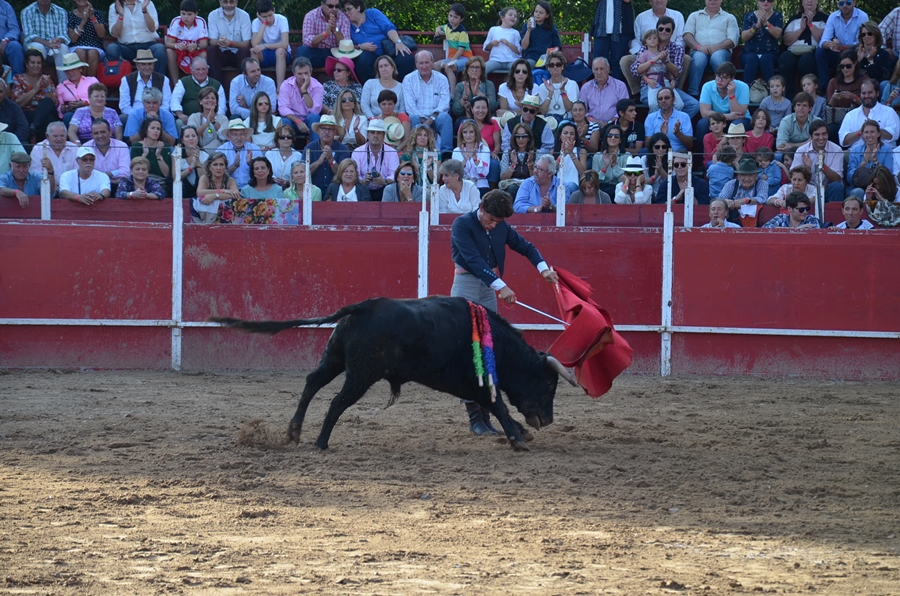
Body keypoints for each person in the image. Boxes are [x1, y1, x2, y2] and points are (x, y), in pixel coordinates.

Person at [449, 188, 559, 433]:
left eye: (498, 222)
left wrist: (543, 270)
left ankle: (486, 415)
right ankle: (475, 419)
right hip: (466, 285)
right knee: (467, 348)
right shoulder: (462, 225)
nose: (493, 225)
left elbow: (526, 247)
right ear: (482, 209)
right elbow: (474, 261)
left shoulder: (499, 226)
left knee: (489, 347)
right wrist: (501, 286)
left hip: (488, 289)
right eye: (491, 219)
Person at [341, 0, 415, 82]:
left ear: (358, 7)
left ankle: (404, 89)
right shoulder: (347, 24)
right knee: (362, 59)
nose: (346, 13)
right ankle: (372, 90)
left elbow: (389, 28)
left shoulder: (372, 13)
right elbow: (347, 45)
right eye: (345, 10)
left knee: (405, 56)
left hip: (388, 52)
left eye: (349, 9)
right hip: (369, 56)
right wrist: (360, 46)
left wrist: (398, 42)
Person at [402, 51, 453, 159]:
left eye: (427, 62)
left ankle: (446, 155)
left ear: (432, 63)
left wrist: (429, 122)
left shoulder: (442, 79)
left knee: (446, 117)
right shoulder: (408, 79)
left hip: (436, 117)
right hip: (418, 119)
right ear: (416, 65)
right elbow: (410, 107)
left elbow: (444, 104)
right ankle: (414, 154)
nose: (424, 66)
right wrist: (426, 126)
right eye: (421, 63)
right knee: (413, 117)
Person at [683, 0, 739, 97]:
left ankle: (723, 92)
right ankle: (693, 93)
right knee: (699, 59)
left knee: (717, 57)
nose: (712, 1)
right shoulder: (694, 16)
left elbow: (733, 40)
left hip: (721, 51)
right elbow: (687, 35)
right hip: (698, 50)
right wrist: (698, 47)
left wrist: (716, 47)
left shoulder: (729, 17)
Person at [815, 0, 867, 95]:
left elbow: (861, 42)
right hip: (838, 52)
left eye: (848, 2)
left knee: (854, 50)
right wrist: (831, 44)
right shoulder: (833, 16)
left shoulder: (862, 16)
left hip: (854, 52)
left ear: (854, 2)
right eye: (841, 3)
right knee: (820, 52)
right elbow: (823, 41)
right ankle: (825, 88)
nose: (845, 6)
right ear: (838, 4)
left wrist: (843, 47)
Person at [778, 0, 827, 99]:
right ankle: (788, 95)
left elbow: (823, 39)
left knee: (806, 61)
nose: (809, 1)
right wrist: (801, 29)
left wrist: (810, 25)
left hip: (812, 51)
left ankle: (807, 96)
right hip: (793, 50)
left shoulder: (824, 19)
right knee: (785, 59)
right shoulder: (794, 19)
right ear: (802, 2)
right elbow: (786, 41)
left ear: (817, 2)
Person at [696, 62, 750, 149]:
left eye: (724, 77)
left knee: (737, 124)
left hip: (739, 120)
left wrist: (731, 94)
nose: (719, 80)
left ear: (732, 79)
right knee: (702, 124)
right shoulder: (707, 86)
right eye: (718, 76)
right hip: (719, 119)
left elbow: (739, 113)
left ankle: (736, 158)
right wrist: (728, 116)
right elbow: (704, 113)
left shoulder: (743, 87)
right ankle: (703, 158)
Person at [106, 0, 166, 75]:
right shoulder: (114, 7)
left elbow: (152, 28)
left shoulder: (147, 3)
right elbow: (115, 34)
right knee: (112, 49)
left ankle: (157, 83)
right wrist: (121, 16)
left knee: (160, 49)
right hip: (127, 48)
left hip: (148, 46)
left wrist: (144, 11)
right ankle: (122, 83)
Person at [838, 80, 899, 148]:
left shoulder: (889, 112)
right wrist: (860, 132)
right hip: (857, 156)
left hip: (883, 154)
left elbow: (893, 135)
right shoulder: (850, 115)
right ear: (860, 95)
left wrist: (874, 130)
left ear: (877, 93)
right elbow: (843, 141)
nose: (866, 96)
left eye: (870, 92)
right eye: (863, 93)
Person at [11, 49, 57, 141]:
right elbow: (17, 104)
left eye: (38, 63)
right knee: (48, 118)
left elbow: (54, 104)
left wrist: (47, 87)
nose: (36, 65)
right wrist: (35, 89)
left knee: (47, 104)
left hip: (43, 115)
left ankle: (34, 126)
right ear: (27, 64)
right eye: (33, 62)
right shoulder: (18, 79)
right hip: (26, 113)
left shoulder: (47, 79)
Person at [794, 119, 844, 203]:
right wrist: (807, 169)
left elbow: (837, 179)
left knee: (836, 187)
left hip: (828, 189)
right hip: (808, 189)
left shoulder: (836, 149)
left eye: (824, 134)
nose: (821, 138)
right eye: (817, 135)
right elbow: (794, 178)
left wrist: (823, 166)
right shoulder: (802, 150)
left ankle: (835, 215)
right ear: (811, 136)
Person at [633, 28, 681, 113]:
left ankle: (670, 120)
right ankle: (654, 123)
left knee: (679, 105)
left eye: (654, 38)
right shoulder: (645, 54)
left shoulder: (664, 53)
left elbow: (668, 70)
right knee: (653, 105)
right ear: (645, 42)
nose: (652, 40)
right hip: (654, 82)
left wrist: (672, 79)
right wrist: (648, 80)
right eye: (649, 38)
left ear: (658, 41)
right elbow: (642, 71)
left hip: (666, 81)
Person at [21, 0, 70, 79]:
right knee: (38, 47)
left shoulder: (61, 12)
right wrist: (47, 43)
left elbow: (64, 34)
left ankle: (64, 86)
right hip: (35, 44)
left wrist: (58, 40)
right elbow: (29, 35)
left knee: (63, 48)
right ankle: (36, 83)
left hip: (54, 47)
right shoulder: (27, 12)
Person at [351, 118, 398, 201]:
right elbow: (354, 175)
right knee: (358, 187)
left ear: (383, 136)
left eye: (379, 133)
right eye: (372, 132)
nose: (375, 135)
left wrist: (384, 181)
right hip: (363, 189)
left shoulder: (392, 152)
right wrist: (362, 181)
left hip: (385, 188)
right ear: (368, 135)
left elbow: (394, 174)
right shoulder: (357, 152)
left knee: (391, 188)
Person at [279, 56, 324, 143]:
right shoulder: (286, 85)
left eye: (306, 73)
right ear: (294, 73)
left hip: (309, 121)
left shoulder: (318, 87)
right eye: (299, 74)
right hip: (293, 121)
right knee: (284, 121)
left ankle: (315, 152)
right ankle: (288, 152)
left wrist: (304, 91)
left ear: (310, 73)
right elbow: (283, 108)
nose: (303, 77)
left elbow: (315, 110)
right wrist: (298, 121)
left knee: (314, 117)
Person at [739, 0, 783, 87]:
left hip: (770, 53)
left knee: (766, 60)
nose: (766, 2)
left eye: (769, 0)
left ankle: (771, 91)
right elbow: (744, 37)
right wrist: (756, 27)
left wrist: (766, 23)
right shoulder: (749, 16)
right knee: (752, 59)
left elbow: (777, 34)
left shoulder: (777, 16)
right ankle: (747, 91)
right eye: (762, 0)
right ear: (757, 1)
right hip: (749, 52)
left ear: (773, 2)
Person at [170, 57, 225, 126]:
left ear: (207, 70)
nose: (201, 72)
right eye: (197, 69)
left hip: (211, 119)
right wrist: (180, 114)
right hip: (188, 119)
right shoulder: (183, 82)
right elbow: (175, 100)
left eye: (203, 69)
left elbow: (222, 106)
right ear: (191, 70)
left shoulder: (217, 85)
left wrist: (214, 118)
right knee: (179, 122)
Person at [296, 0, 351, 69]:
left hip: (335, 54)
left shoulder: (343, 18)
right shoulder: (311, 16)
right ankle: (302, 78)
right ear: (322, 4)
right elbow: (307, 41)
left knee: (346, 57)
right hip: (316, 52)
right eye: (330, 6)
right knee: (302, 50)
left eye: (337, 6)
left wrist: (335, 30)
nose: (334, 9)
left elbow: (346, 44)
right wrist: (325, 34)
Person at [206, 0, 251, 83]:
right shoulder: (213, 15)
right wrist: (221, 43)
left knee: (245, 50)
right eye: (225, 2)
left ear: (237, 2)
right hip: (221, 53)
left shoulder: (244, 16)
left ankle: (242, 84)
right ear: (220, 2)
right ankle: (217, 87)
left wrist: (231, 43)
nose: (228, 5)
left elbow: (247, 43)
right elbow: (212, 41)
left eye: (231, 2)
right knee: (211, 50)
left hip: (237, 54)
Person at [846, 120, 893, 198]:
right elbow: (850, 178)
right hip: (858, 187)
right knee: (858, 192)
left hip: (880, 187)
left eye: (872, 132)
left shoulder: (887, 150)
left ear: (878, 134)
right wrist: (864, 162)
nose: (869, 135)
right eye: (866, 132)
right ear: (863, 135)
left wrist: (875, 160)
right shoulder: (855, 151)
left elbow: (888, 176)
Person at [306, 115, 350, 195]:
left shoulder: (343, 149)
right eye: (324, 128)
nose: (327, 132)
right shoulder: (309, 148)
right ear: (318, 131)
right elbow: (303, 173)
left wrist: (331, 160)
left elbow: (345, 175)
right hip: (313, 191)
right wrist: (319, 162)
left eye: (330, 129)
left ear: (335, 132)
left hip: (336, 191)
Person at [118, 49, 171, 116]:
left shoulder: (163, 79)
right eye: (143, 64)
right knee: (123, 117)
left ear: (153, 65)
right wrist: (140, 116)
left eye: (150, 64)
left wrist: (156, 115)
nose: (147, 67)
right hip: (134, 116)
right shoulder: (126, 80)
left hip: (157, 116)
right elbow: (124, 107)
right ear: (137, 65)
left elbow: (166, 105)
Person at [590, 0, 634, 80]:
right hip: (601, 29)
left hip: (621, 30)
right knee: (598, 60)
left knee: (618, 62)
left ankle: (616, 89)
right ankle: (598, 87)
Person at [165, 0, 207, 82]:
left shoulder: (201, 21)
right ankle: (176, 83)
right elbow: (168, 43)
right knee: (169, 52)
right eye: (183, 13)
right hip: (179, 51)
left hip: (195, 51)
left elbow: (204, 44)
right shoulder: (176, 21)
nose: (185, 17)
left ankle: (199, 82)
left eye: (189, 14)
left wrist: (197, 46)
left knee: (204, 54)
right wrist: (177, 45)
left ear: (196, 14)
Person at [251, 0, 290, 88]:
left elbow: (285, 44)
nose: (268, 19)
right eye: (264, 17)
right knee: (253, 51)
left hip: (282, 55)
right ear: (259, 15)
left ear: (274, 10)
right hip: (265, 55)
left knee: (279, 51)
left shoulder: (282, 19)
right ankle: (257, 87)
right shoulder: (256, 22)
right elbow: (254, 43)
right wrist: (263, 24)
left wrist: (265, 46)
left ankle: (280, 89)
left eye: (270, 15)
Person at [433, 3, 472, 91]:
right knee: (435, 66)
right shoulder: (447, 27)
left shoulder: (462, 32)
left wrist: (451, 60)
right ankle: (444, 86)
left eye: (455, 17)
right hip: (453, 58)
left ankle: (452, 93)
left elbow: (461, 50)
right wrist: (438, 29)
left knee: (448, 67)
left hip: (465, 58)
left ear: (461, 19)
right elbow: (440, 27)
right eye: (450, 16)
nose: (452, 19)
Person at [29, 121, 76, 192]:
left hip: (70, 190)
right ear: (47, 136)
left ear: (66, 136)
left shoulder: (74, 148)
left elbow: (78, 174)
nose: (59, 139)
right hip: (45, 191)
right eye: (55, 136)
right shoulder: (38, 148)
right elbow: (35, 175)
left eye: (62, 135)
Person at [193, 151, 240, 222]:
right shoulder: (204, 178)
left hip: (226, 216)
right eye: (215, 165)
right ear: (209, 167)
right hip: (206, 215)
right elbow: (199, 192)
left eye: (221, 164)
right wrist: (222, 191)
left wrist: (215, 196)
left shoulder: (230, 180)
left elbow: (235, 194)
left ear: (225, 167)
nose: (218, 168)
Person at [450, 56, 499, 123]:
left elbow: (493, 106)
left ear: (482, 71)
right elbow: (455, 110)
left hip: (485, 118)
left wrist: (479, 93)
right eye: (471, 67)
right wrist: (465, 98)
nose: (474, 70)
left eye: (477, 67)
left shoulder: (489, 84)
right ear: (467, 70)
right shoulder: (460, 86)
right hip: (464, 119)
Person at [580, 57, 628, 124]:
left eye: (602, 69)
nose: (599, 72)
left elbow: (624, 109)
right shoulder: (586, 88)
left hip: (614, 125)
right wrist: (594, 122)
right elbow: (582, 111)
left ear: (608, 69)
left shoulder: (620, 86)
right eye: (596, 69)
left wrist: (609, 122)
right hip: (591, 125)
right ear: (593, 71)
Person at [644, 87, 692, 152]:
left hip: (678, 154)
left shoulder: (684, 116)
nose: (663, 101)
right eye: (660, 99)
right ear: (657, 101)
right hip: (658, 152)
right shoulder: (651, 118)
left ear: (674, 99)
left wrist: (678, 133)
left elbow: (690, 145)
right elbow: (647, 145)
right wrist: (661, 135)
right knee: (643, 151)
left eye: (667, 98)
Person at [84, 118, 129, 185]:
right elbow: (84, 172)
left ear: (110, 132)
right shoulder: (85, 148)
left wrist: (105, 177)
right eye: (96, 133)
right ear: (92, 135)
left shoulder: (121, 146)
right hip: (92, 185)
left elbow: (126, 172)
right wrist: (110, 176)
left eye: (103, 132)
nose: (100, 136)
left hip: (117, 185)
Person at [534, 50, 578, 121]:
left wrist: (563, 92)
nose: (555, 67)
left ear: (562, 66)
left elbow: (569, 108)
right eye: (551, 65)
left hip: (566, 119)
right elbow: (543, 112)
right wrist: (550, 94)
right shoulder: (543, 86)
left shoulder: (572, 84)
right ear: (548, 67)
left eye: (558, 64)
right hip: (548, 120)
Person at [67, 0, 107, 77]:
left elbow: (101, 34)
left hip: (95, 47)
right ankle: (82, 82)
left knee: (92, 53)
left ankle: (90, 84)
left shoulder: (97, 13)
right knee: (80, 52)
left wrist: (92, 16)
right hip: (76, 46)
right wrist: (83, 21)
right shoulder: (70, 15)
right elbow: (72, 39)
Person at [54, 52, 96, 124]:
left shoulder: (92, 81)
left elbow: (100, 98)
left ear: (80, 69)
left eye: (73, 69)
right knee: (67, 116)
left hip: (91, 112)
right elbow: (59, 107)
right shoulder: (60, 87)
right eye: (67, 70)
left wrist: (85, 103)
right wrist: (63, 109)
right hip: (71, 115)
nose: (70, 72)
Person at [129, 116, 170, 189]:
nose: (156, 131)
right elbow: (133, 169)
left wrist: (158, 155)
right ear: (146, 130)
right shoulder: (136, 146)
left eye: (158, 129)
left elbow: (166, 174)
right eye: (152, 128)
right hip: (139, 181)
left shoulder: (165, 147)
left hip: (159, 182)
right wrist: (144, 154)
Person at [218, 119, 261, 189]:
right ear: (229, 136)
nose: (239, 138)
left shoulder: (255, 149)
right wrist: (234, 166)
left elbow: (262, 173)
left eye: (242, 134)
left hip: (252, 188)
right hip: (229, 189)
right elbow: (217, 176)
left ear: (246, 135)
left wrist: (251, 164)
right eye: (235, 134)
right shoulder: (221, 150)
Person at [451, 119, 491, 193]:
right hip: (462, 187)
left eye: (471, 132)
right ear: (462, 135)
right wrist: (465, 160)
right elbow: (455, 174)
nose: (468, 135)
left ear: (476, 133)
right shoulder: (457, 151)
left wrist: (475, 157)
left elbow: (483, 173)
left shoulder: (484, 149)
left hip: (480, 186)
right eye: (465, 132)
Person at [499, 122, 535, 196]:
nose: (520, 139)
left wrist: (530, 164)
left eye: (524, 136)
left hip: (529, 185)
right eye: (517, 136)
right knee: (513, 188)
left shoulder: (536, 153)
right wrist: (513, 164)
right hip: (511, 186)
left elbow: (536, 178)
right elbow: (503, 178)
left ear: (529, 138)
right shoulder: (507, 153)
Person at [187, 86, 228, 151]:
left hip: (218, 153)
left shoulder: (223, 119)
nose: (210, 100)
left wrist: (213, 121)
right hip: (198, 151)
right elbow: (192, 135)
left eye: (213, 98)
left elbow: (223, 137)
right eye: (206, 98)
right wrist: (207, 123)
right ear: (200, 101)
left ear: (216, 102)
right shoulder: (194, 117)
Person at [521, 1, 560, 67]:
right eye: (536, 12)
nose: (537, 14)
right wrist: (528, 31)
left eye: (541, 12)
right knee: (527, 65)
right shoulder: (526, 26)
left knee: (552, 66)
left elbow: (557, 46)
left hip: (547, 58)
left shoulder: (552, 27)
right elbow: (524, 46)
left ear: (547, 15)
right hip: (531, 57)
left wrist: (554, 51)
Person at [484, 7, 522, 75]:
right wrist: (491, 43)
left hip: (512, 60)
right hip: (495, 60)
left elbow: (518, 51)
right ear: (502, 17)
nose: (513, 17)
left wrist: (508, 43)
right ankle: (481, 85)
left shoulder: (515, 33)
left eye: (515, 16)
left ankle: (515, 85)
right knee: (482, 70)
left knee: (519, 71)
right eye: (510, 15)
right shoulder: (493, 29)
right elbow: (486, 48)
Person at [593, 124, 628, 198]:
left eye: (616, 136)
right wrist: (605, 168)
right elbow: (594, 181)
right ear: (606, 138)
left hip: (620, 188)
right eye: (610, 135)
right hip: (602, 189)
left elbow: (626, 180)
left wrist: (615, 165)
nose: (613, 138)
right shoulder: (597, 156)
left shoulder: (626, 156)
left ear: (620, 140)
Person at [553, 121, 586, 194]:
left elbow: (583, 174)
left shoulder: (581, 151)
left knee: (570, 186)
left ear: (575, 137)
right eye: (565, 133)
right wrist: (561, 155)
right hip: (556, 186)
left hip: (575, 188)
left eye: (572, 134)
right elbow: (550, 171)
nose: (568, 136)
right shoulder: (553, 151)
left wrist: (571, 153)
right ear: (560, 136)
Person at [176, 125, 208, 197]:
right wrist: (191, 167)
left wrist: (198, 161)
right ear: (182, 140)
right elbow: (176, 177)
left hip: (199, 191)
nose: (191, 138)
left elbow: (204, 178)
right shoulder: (176, 154)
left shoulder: (205, 155)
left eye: (193, 136)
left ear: (197, 138)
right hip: (182, 193)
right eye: (187, 136)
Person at [0, 0, 24, 76]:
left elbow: (14, 28)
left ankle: (18, 81)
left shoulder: (6, 6)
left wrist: (5, 40)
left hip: (4, 42)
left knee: (15, 46)